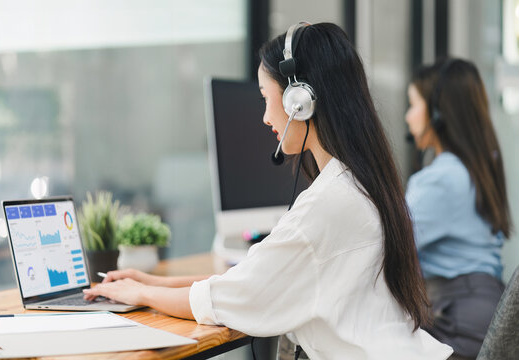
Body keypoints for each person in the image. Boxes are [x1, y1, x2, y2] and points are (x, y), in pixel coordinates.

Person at [84, 22, 452, 359]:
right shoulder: (358, 181)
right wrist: (155, 281)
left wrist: (142, 295)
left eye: (265, 97)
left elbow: (237, 295)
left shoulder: (329, 204)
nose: (264, 117)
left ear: (300, 101)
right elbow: (250, 278)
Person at [405, 58, 512, 359]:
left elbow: (389, 245)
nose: (408, 117)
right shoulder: (476, 166)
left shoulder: (441, 178)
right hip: (483, 311)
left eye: (413, 105)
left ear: (437, 115)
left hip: (457, 320)